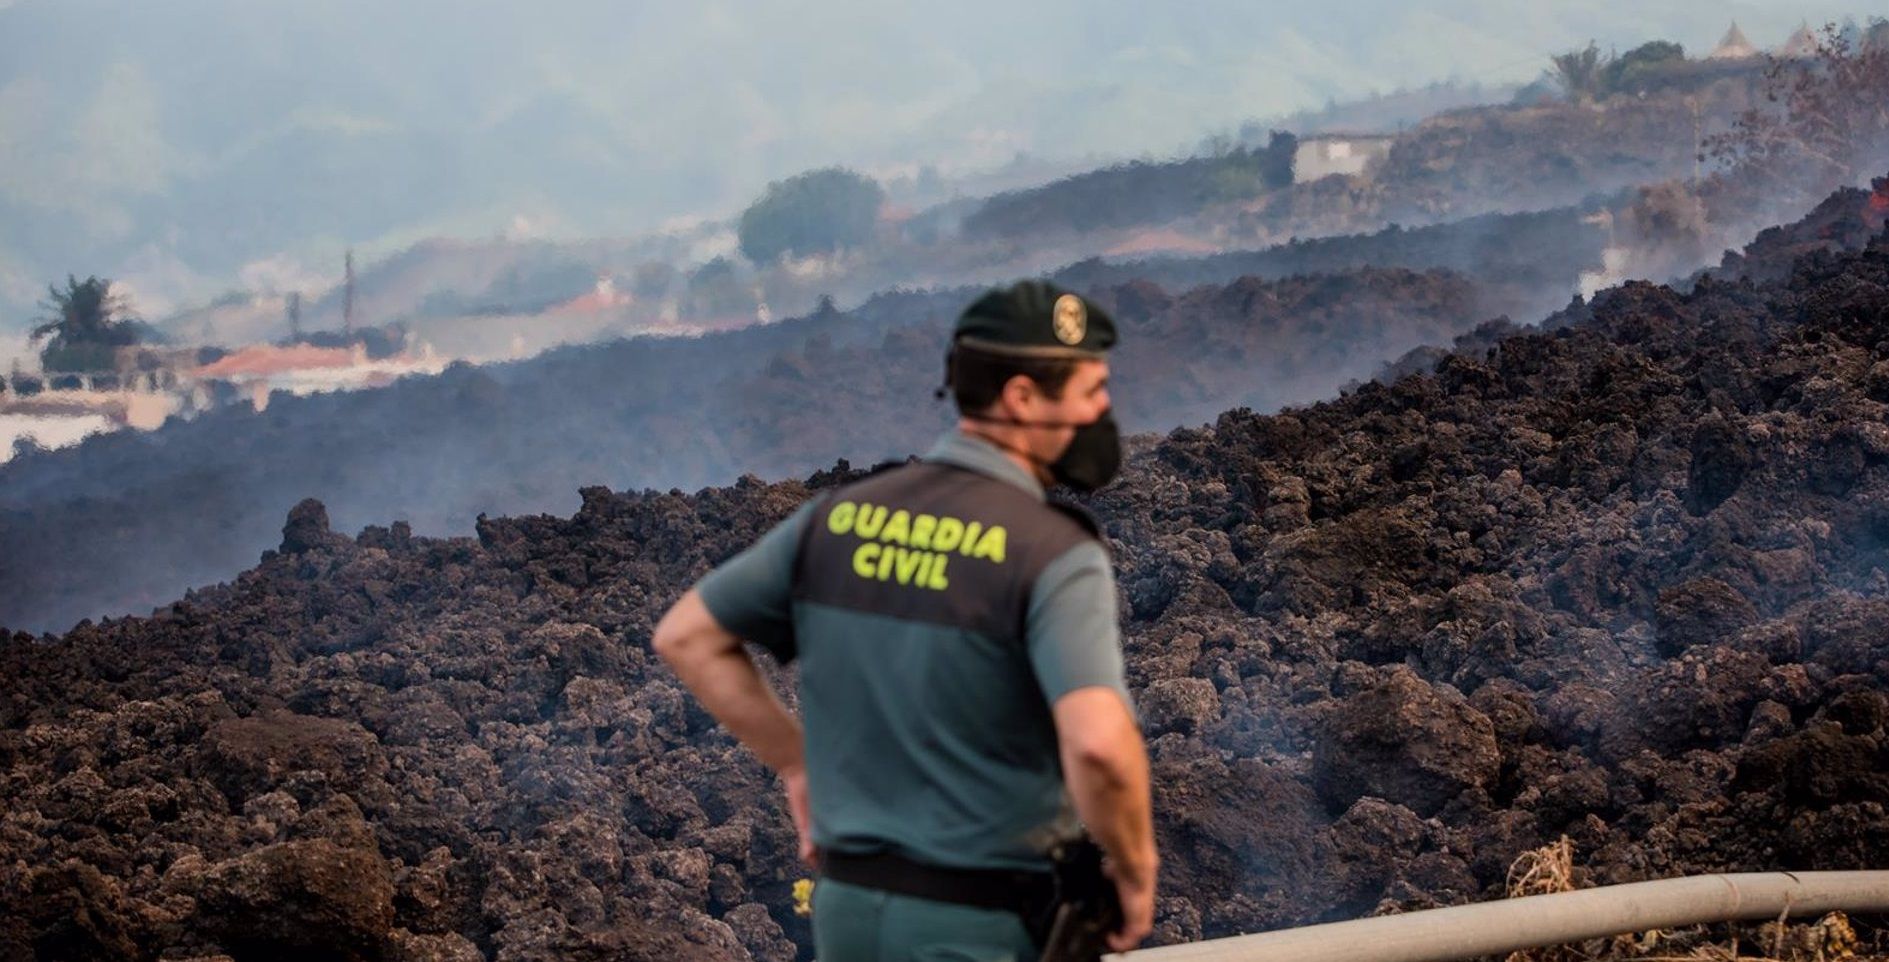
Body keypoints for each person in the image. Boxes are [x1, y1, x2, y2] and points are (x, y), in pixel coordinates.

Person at [653, 279, 1156, 960]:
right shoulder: (1050, 552)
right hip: (977, 927)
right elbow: (1098, 745)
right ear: (1021, 398)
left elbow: (687, 636)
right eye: (1089, 389)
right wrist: (1133, 870)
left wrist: (797, 765)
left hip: (848, 916)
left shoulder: (835, 519)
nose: (1102, 408)